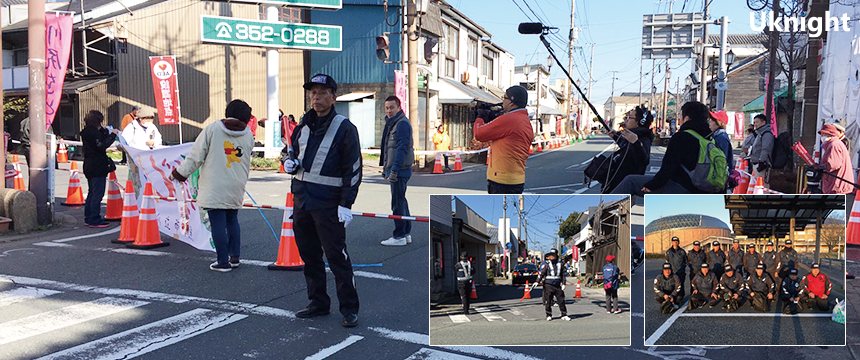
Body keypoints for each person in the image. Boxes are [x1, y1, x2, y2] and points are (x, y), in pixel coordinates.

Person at [282, 74, 362, 328]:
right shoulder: (303, 127)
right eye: (313, 92)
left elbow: (354, 169)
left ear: (333, 97)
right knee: (310, 256)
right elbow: (291, 152)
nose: (316, 97)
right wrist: (288, 162)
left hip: (329, 205)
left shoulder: (345, 128)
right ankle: (318, 302)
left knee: (337, 257)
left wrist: (346, 205)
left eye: (322, 92)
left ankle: (349, 308)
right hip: (303, 201)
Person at [171, 100, 254, 271]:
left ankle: (222, 261)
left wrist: (180, 173)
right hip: (236, 183)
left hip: (215, 183)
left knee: (217, 222)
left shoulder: (213, 129)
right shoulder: (248, 135)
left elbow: (196, 156)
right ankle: (234, 257)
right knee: (232, 220)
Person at [611, 101, 714, 195]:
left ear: (686, 119)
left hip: (683, 188)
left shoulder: (682, 137)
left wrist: (652, 185)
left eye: (680, 116)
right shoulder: (709, 138)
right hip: (706, 190)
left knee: (630, 182)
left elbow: (668, 168)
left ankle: (604, 213)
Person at [473, 85, 533, 194]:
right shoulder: (524, 120)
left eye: (504, 98)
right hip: (516, 178)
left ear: (512, 102)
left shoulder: (510, 119)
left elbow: (479, 134)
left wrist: (480, 118)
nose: (502, 101)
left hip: (502, 180)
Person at [379, 96, 414, 247]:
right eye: (386, 108)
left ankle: (399, 235)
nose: (389, 111)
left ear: (399, 107)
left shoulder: (401, 124)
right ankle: (405, 233)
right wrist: (385, 167)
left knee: (397, 203)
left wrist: (393, 170)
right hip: (396, 169)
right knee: (401, 200)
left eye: (391, 107)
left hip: (400, 170)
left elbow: (401, 148)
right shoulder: (393, 123)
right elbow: (387, 148)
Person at [601, 106, 654, 193]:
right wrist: (615, 136)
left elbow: (644, 161)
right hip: (616, 184)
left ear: (640, 122)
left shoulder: (643, 138)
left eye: (630, 117)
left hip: (624, 188)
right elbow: (626, 147)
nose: (626, 120)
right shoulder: (632, 135)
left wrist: (636, 143)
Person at [80, 110, 119, 228]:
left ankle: (89, 217)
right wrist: (113, 135)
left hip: (89, 165)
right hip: (97, 165)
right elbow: (102, 145)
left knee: (92, 192)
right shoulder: (93, 133)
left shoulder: (87, 132)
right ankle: (94, 218)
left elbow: (100, 139)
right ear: (98, 121)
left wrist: (105, 131)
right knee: (97, 193)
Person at [818, 123, 855, 194]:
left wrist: (821, 167)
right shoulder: (835, 144)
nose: (822, 137)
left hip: (837, 187)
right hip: (838, 186)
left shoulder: (834, 145)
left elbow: (833, 164)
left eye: (824, 134)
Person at [537, 249, 571, 321]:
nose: (551, 257)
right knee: (548, 301)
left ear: (556, 256)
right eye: (550, 255)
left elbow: (563, 275)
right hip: (548, 285)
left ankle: (564, 314)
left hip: (557, 285)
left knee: (561, 300)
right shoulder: (546, 264)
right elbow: (541, 273)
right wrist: (537, 281)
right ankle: (549, 315)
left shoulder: (560, 264)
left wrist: (563, 283)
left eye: (553, 255)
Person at [708, 110, 735, 186]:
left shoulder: (721, 137)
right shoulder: (716, 135)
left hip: (719, 175)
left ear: (719, 123)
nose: (709, 123)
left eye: (712, 120)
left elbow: (722, 159)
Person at [749, 114, 774, 188]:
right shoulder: (759, 133)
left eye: (757, 122)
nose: (755, 124)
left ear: (763, 123)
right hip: (756, 163)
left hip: (761, 165)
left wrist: (762, 162)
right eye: (754, 122)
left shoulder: (766, 134)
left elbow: (766, 149)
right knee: (758, 186)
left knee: (763, 186)